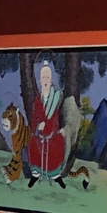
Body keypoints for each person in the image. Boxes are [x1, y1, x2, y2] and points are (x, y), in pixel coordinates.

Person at [26, 60, 68, 188]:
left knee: (59, 142)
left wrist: (51, 130)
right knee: (32, 143)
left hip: (51, 135)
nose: (45, 80)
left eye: (48, 78)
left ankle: (55, 175)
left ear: (51, 80)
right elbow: (35, 118)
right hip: (40, 135)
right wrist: (38, 127)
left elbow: (55, 119)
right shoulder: (38, 100)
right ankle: (35, 174)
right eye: (43, 77)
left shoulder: (54, 98)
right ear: (40, 80)